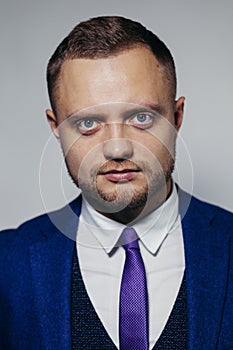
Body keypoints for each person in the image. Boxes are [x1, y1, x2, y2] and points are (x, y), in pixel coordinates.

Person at [0, 16, 232, 350]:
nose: (117, 148)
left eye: (142, 118)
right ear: (55, 126)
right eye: (88, 123)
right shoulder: (8, 266)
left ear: (177, 117)